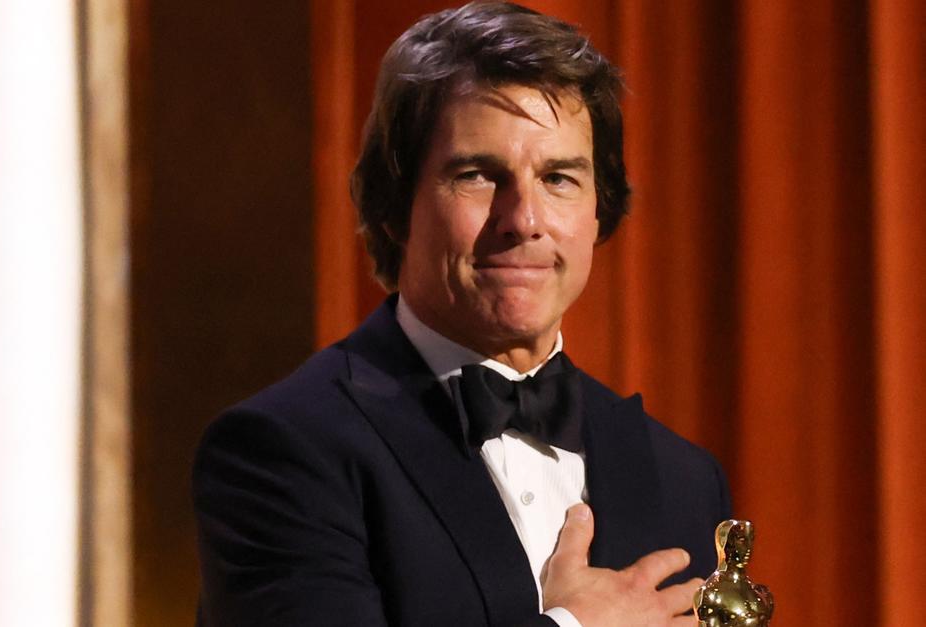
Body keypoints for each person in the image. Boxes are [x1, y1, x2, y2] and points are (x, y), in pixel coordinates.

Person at [192, 3, 731, 626]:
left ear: (597, 214)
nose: (523, 220)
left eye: (558, 178)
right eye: (478, 175)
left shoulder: (684, 477)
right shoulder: (282, 452)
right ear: (396, 205)